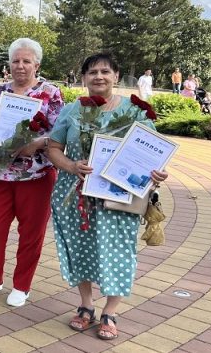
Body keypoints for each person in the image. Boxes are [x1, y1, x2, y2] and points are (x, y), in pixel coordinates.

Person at [47, 53, 169, 341]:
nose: (98, 76)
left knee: (118, 248)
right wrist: (72, 166)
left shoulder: (134, 111)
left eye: (105, 71)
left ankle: (110, 311)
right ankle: (86, 306)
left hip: (117, 197)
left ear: (116, 76)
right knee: (79, 247)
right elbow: (53, 148)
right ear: (83, 78)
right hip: (75, 194)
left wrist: (157, 173)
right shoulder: (71, 110)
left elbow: (153, 152)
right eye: (92, 72)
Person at [0, 37, 64, 307]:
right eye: (16, 61)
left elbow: (60, 135)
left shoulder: (50, 93)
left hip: (36, 177)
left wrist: (36, 144)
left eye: (26, 61)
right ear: (9, 64)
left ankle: (22, 285)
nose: (21, 66)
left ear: (36, 64)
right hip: (1, 175)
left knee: (31, 233)